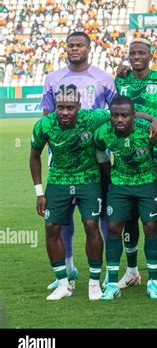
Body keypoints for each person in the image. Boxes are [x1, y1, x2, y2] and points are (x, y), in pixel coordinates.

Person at [40, 31, 117, 291]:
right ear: (66, 48)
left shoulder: (104, 78)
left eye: (80, 45)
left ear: (89, 48)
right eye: (71, 45)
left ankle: (106, 272)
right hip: (61, 160)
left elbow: (117, 114)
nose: (75, 49)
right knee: (61, 217)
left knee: (97, 215)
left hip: (96, 157)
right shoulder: (53, 78)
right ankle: (68, 269)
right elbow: (47, 115)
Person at [30, 85, 112, 301]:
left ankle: (94, 284)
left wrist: (153, 121)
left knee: (91, 225)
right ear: (55, 107)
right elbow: (34, 156)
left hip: (88, 178)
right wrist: (39, 192)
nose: (64, 112)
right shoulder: (44, 125)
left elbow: (124, 112)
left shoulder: (93, 117)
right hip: (58, 179)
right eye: (60, 107)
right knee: (51, 227)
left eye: (70, 107)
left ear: (79, 106)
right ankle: (63, 284)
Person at [115, 38, 157, 290]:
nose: (137, 56)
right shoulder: (120, 80)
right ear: (128, 56)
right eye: (133, 53)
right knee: (128, 217)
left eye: (142, 52)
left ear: (151, 56)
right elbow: (115, 111)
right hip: (125, 158)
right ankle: (131, 270)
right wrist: (149, 117)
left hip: (155, 157)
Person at [95, 96, 157, 300]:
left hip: (148, 182)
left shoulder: (148, 130)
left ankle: (153, 282)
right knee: (114, 228)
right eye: (115, 115)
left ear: (133, 116)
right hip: (120, 184)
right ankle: (112, 284)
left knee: (150, 226)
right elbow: (99, 150)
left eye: (125, 115)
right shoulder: (103, 132)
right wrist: (110, 174)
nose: (119, 119)